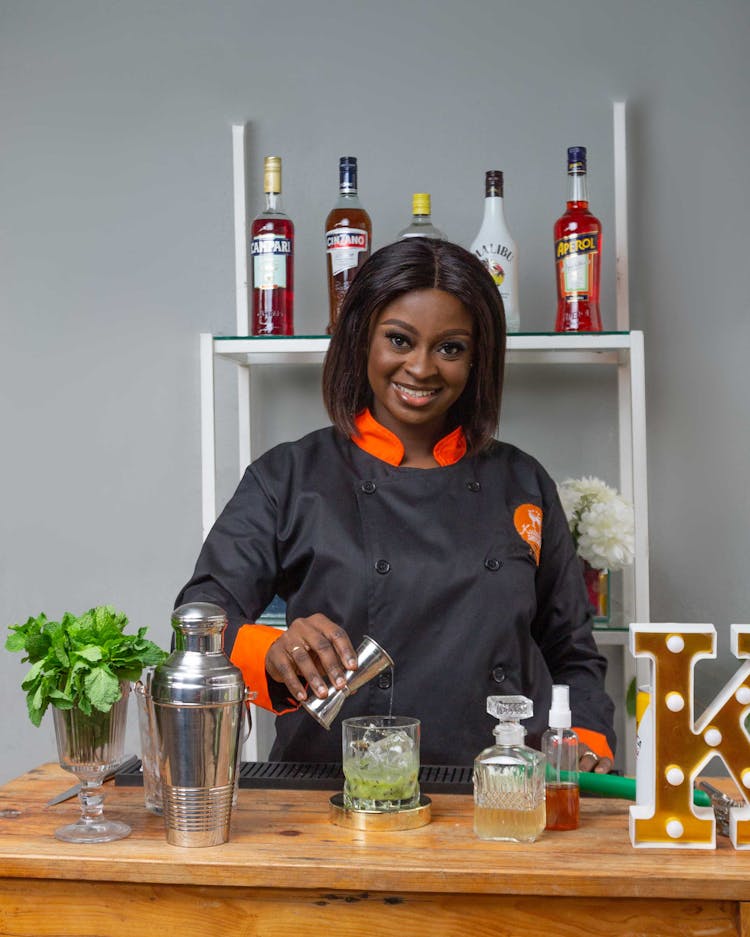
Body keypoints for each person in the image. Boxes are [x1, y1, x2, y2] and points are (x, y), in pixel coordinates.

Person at [177, 237, 616, 772]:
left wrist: (587, 740)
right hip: (332, 791)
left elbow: (570, 648)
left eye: (450, 348)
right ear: (363, 340)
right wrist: (272, 650)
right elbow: (200, 620)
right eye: (400, 340)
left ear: (477, 359)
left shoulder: (522, 481)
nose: (422, 368)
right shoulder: (290, 476)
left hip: (499, 790)